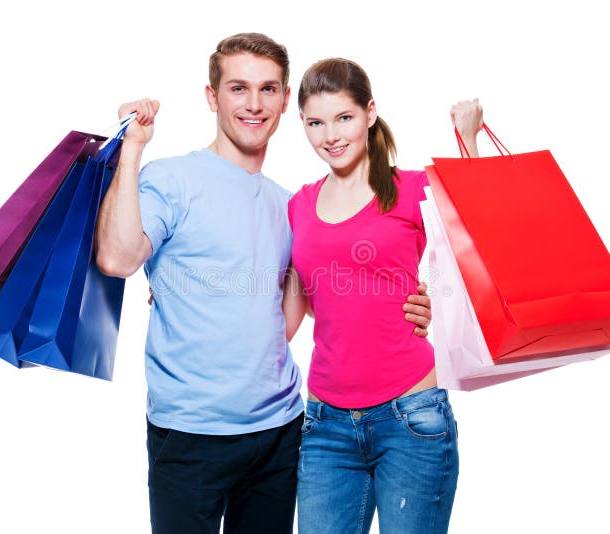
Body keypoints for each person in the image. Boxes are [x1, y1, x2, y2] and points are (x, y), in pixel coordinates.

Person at [94, 34, 433, 534]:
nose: (254, 104)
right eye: (238, 88)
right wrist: (132, 150)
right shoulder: (172, 179)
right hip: (190, 433)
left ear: (283, 100)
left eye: (268, 89)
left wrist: (412, 300)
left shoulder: (289, 205)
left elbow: (314, 296)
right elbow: (118, 257)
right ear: (212, 97)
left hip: (281, 432)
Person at [283, 58, 484, 534]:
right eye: (316, 122)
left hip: (411, 418)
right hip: (325, 424)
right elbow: (291, 311)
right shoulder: (298, 206)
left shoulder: (412, 188)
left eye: (344, 118)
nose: (330, 135)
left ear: (370, 113)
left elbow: (485, 237)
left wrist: (469, 138)